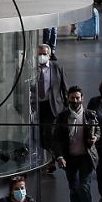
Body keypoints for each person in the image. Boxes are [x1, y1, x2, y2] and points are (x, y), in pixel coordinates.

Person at [54, 86, 100, 202]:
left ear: (82, 98)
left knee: (84, 187)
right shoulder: (62, 117)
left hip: (85, 157)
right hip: (70, 158)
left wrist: (95, 138)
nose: (75, 101)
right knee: (73, 188)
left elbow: (98, 130)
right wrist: (59, 156)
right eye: (72, 98)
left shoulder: (90, 115)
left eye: (77, 98)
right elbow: (57, 140)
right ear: (68, 98)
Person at [31, 43, 68, 172]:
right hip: (37, 106)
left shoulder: (57, 68)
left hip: (53, 106)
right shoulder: (30, 69)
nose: (41, 56)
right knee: (39, 135)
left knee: (50, 133)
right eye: (39, 54)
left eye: (44, 54)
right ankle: (43, 159)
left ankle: (50, 161)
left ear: (49, 55)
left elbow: (64, 88)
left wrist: (67, 108)